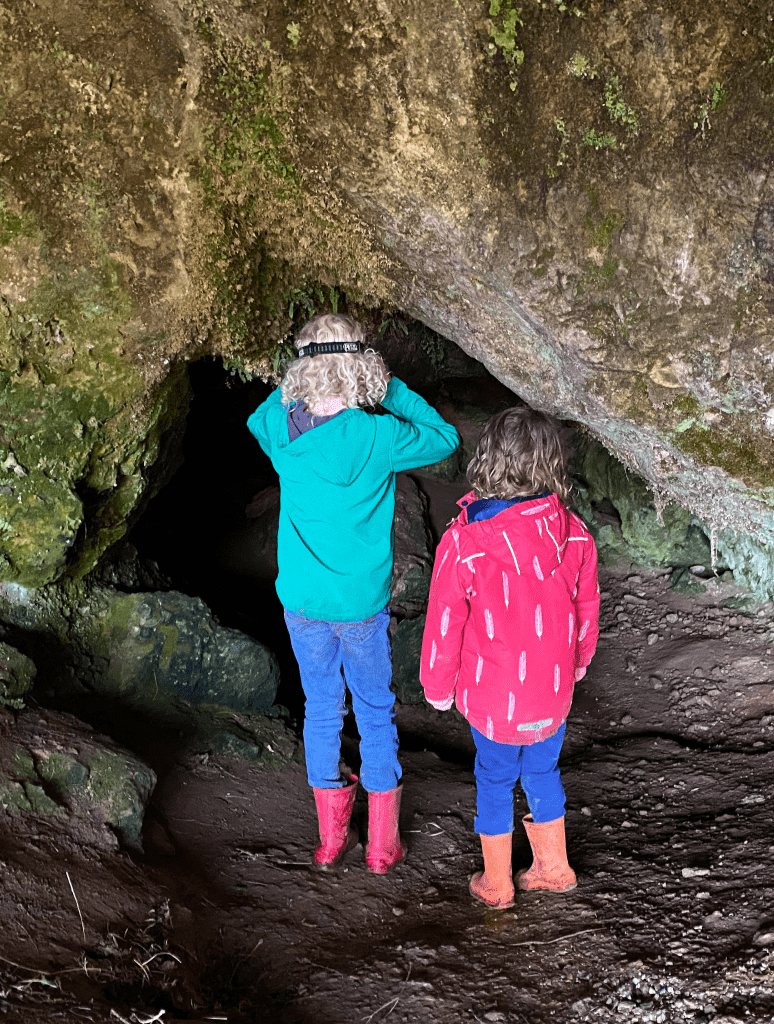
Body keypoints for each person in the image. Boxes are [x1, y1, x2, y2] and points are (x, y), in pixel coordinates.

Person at [247, 313, 458, 874]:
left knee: (321, 709)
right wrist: (388, 389)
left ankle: (330, 842)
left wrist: (294, 379)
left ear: (302, 370)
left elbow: (259, 413)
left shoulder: (279, 432)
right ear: (360, 367)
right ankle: (383, 849)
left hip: (303, 603)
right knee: (374, 711)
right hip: (362, 604)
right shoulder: (378, 435)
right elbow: (445, 438)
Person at [418, 407, 600, 908]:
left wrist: (437, 686)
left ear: (487, 461)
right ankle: (554, 868)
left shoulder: (465, 543)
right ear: (551, 466)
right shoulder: (576, 534)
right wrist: (579, 661)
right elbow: (587, 607)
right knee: (543, 771)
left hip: (492, 695)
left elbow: (444, 621)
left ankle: (497, 884)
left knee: (495, 778)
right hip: (552, 690)